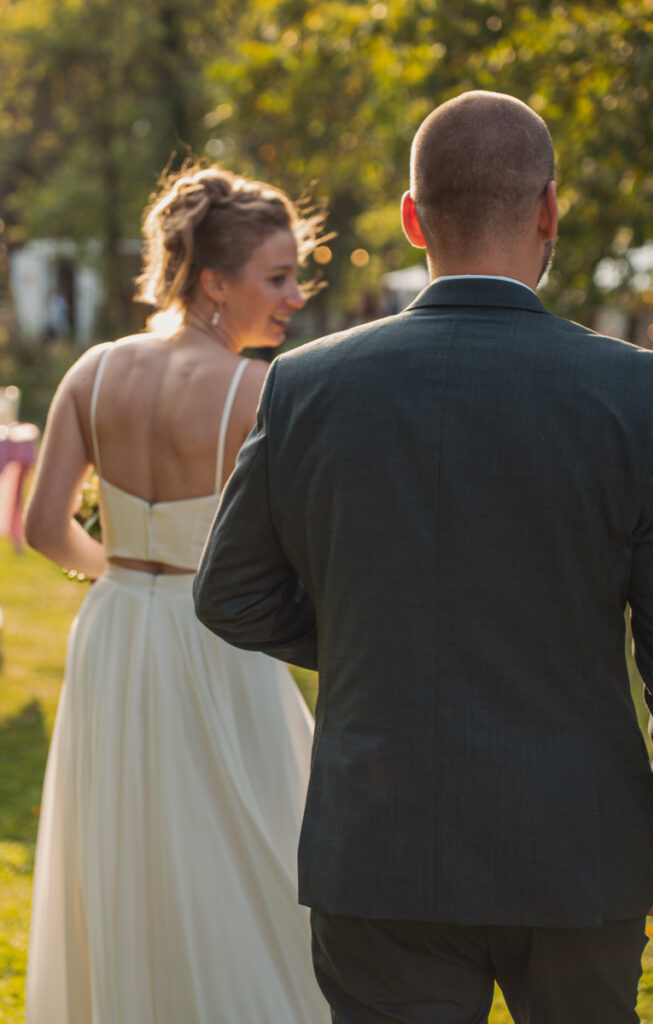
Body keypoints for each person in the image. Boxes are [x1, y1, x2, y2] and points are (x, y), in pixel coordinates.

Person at [193, 92, 653, 1024]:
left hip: (381, 842)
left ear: (413, 217)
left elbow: (232, 593)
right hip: (575, 842)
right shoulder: (634, 390)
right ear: (547, 209)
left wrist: (376, 633)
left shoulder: (307, 383)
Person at [23, 164, 329, 1023]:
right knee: (255, 839)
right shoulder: (258, 390)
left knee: (120, 845)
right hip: (218, 636)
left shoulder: (91, 370)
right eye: (277, 277)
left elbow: (44, 529)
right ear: (213, 281)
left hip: (114, 631)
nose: (294, 295)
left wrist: (123, 576)